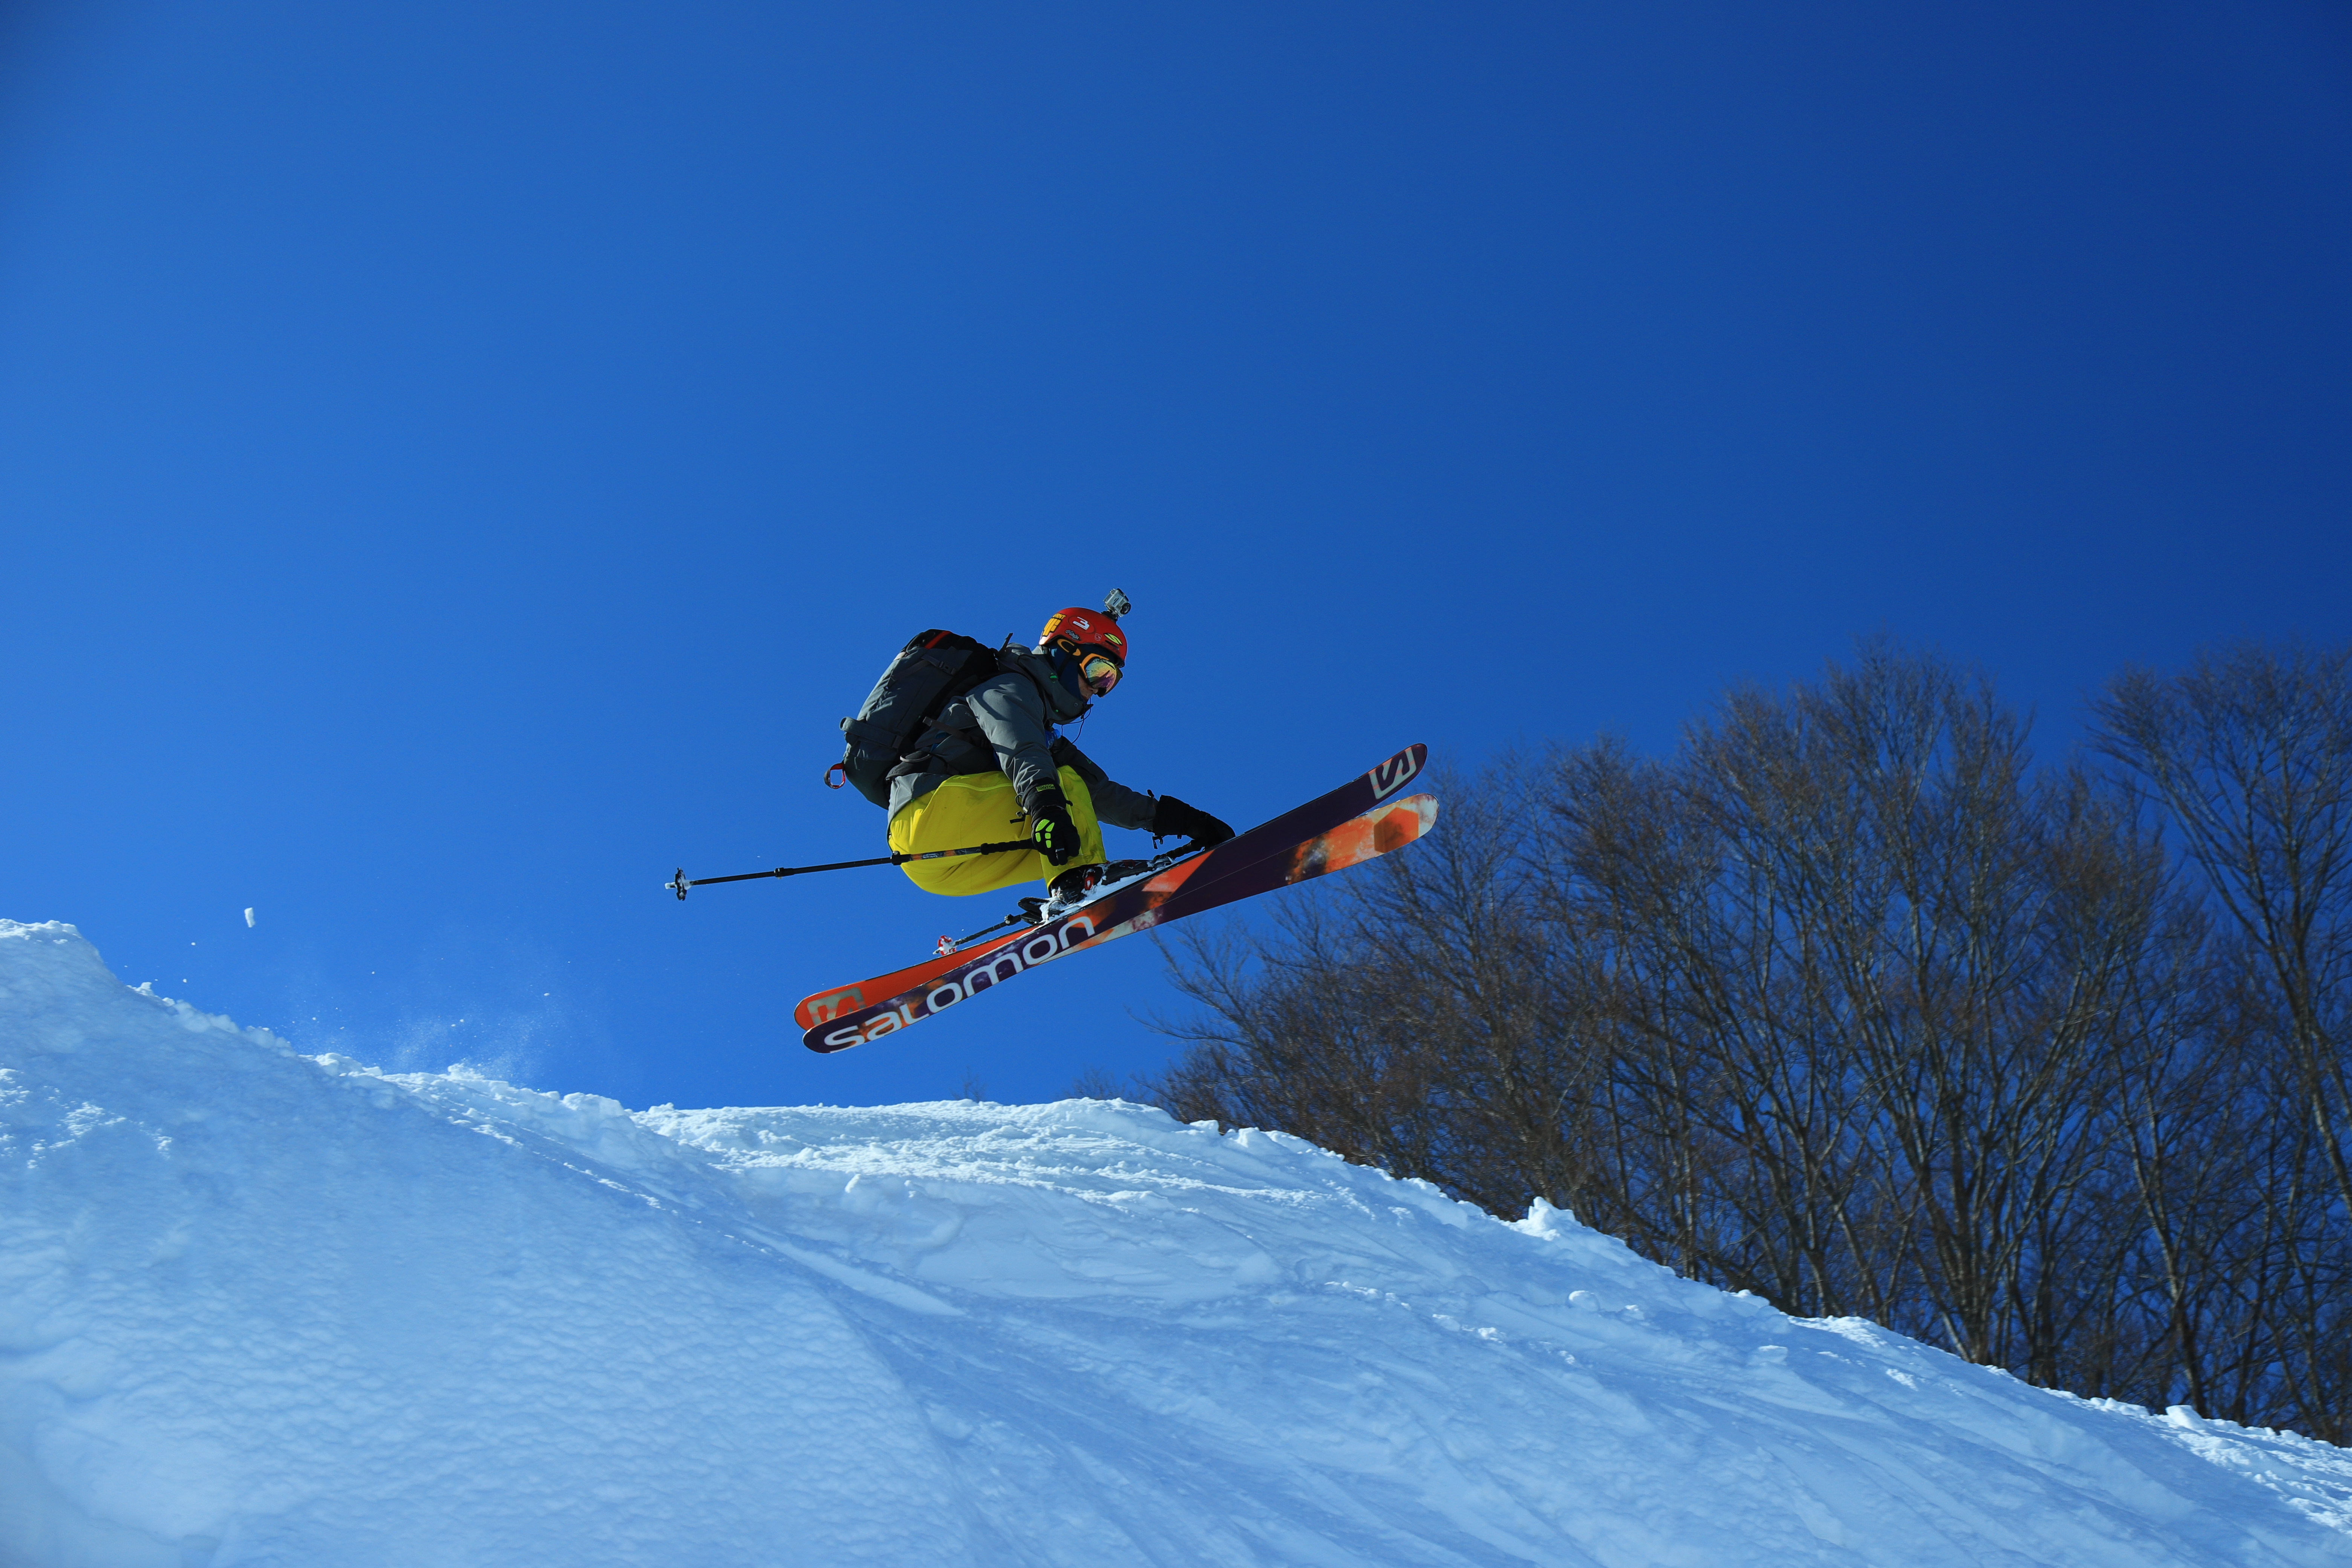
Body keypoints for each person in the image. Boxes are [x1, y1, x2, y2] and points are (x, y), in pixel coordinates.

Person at [880, 603, 1233, 902]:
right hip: (928, 817)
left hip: (939, 868)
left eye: (1109, 681)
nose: (1097, 689)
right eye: (1097, 671)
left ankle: (1072, 888)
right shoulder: (1008, 687)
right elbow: (1021, 750)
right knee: (1062, 788)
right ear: (1065, 651)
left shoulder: (1044, 733)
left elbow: (1099, 794)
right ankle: (1079, 883)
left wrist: (1183, 821)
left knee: (1068, 829)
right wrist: (1047, 805)